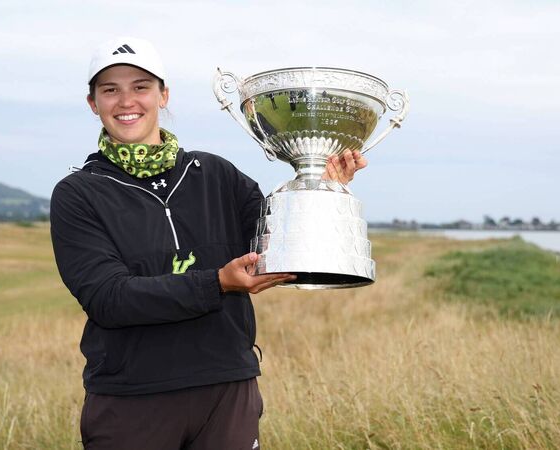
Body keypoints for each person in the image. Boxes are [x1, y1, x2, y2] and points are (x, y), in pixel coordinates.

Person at [50, 36, 367, 450]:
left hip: (227, 390)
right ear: (93, 103)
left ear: (163, 95)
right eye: (110, 89)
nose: (126, 101)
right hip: (131, 399)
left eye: (141, 87)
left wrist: (319, 191)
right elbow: (109, 298)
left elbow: (279, 245)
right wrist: (216, 282)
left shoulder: (217, 174)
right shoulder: (79, 193)